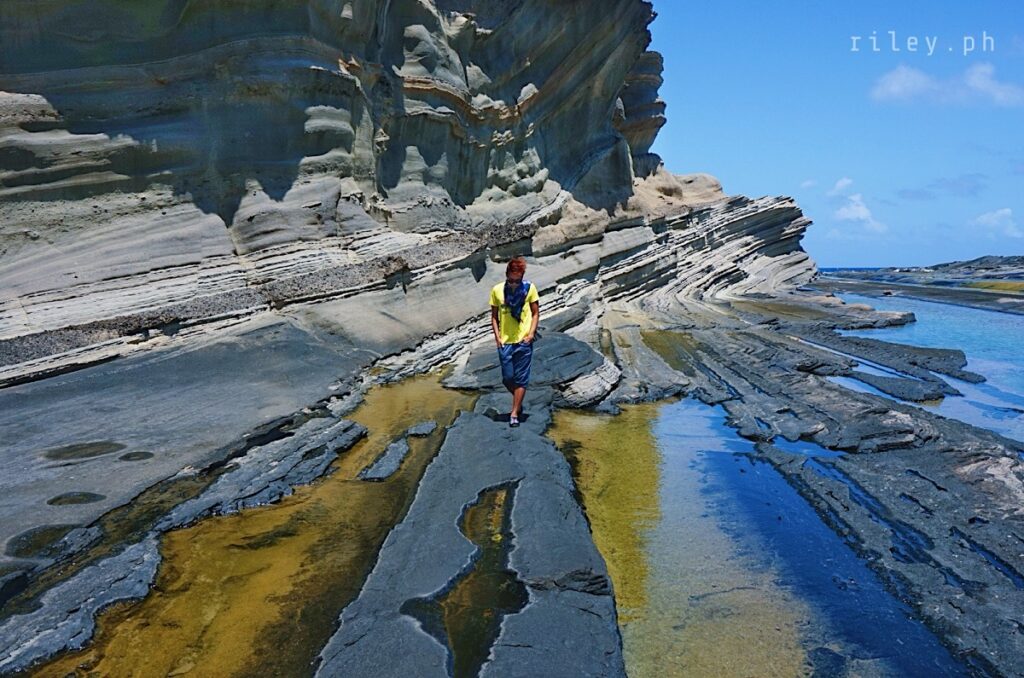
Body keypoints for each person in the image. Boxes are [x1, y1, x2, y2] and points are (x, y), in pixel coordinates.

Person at [489, 257, 540, 427]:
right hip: (505, 342)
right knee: (507, 378)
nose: (513, 284)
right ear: (506, 275)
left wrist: (531, 334)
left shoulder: (529, 288)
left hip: (524, 341)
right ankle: (518, 400)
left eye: (516, 281)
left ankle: (514, 413)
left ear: (522, 277)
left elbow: (535, 313)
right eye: (510, 280)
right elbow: (494, 317)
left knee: (521, 379)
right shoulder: (497, 291)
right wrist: (497, 338)